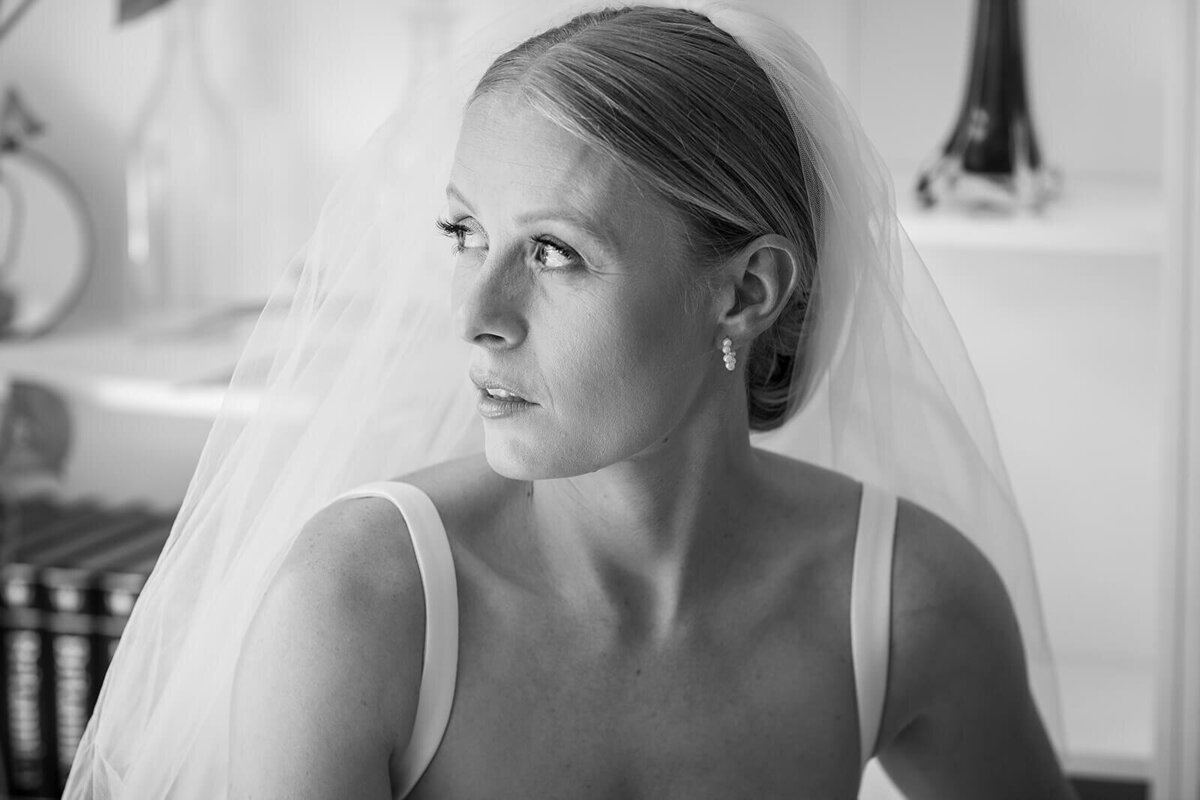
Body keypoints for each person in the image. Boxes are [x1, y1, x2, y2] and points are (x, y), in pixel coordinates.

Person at [65, 3, 1076, 798]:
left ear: (746, 290)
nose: (478, 314)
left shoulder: (910, 603)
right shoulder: (363, 603)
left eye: (554, 251)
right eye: (465, 234)